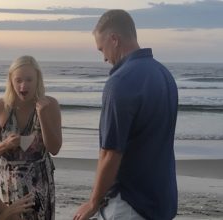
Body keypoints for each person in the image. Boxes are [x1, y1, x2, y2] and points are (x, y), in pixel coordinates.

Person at [74, 9, 178, 220]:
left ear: (114, 39)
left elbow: (111, 152)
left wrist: (94, 202)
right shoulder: (164, 75)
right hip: (161, 198)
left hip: (129, 202)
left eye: (101, 49)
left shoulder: (120, 82)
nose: (103, 58)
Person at [0, 55, 62, 220]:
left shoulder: (50, 105)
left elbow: (54, 149)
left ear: (37, 80)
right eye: (18, 80)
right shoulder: (1, 106)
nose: (23, 85)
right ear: (11, 81)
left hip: (39, 182)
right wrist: (4, 145)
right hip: (9, 182)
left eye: (29, 79)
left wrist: (42, 116)